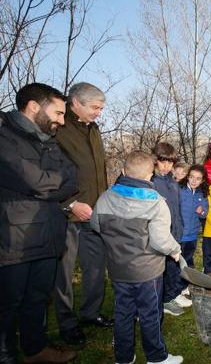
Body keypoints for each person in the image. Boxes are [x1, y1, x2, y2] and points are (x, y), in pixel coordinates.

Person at [0, 83, 78, 364]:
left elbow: (72, 178)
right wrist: (49, 184)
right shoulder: (4, 135)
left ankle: (35, 349)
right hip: (13, 239)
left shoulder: (49, 140)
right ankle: (6, 356)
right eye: (57, 113)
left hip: (48, 234)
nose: (61, 120)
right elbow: (31, 180)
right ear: (34, 106)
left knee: (37, 297)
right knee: (8, 303)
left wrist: (47, 185)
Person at [91, 150, 183, 364]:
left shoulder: (105, 197)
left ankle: (123, 357)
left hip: (118, 269)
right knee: (150, 313)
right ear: (150, 176)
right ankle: (156, 357)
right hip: (147, 272)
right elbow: (161, 240)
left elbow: (96, 225)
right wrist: (175, 250)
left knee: (123, 312)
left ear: (123, 171)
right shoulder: (156, 202)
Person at [54, 82, 112, 346]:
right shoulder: (58, 126)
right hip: (67, 213)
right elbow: (51, 172)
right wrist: (71, 202)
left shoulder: (94, 128)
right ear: (75, 102)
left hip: (95, 212)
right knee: (64, 273)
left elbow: (97, 169)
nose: (99, 113)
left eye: (101, 108)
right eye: (95, 108)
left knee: (96, 267)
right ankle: (67, 323)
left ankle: (90, 313)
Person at [151, 142, 190, 316]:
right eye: (163, 162)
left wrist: (180, 228)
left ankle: (172, 295)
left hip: (175, 233)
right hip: (160, 236)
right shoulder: (151, 183)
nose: (167, 166)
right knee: (160, 271)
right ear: (155, 161)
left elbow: (177, 208)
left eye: (170, 163)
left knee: (173, 267)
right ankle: (163, 300)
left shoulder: (173, 183)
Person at [178, 165, 208, 271]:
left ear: (202, 180)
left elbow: (205, 213)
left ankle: (185, 285)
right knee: (176, 263)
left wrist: (202, 211)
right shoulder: (179, 190)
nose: (194, 181)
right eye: (192, 177)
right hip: (179, 235)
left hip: (192, 235)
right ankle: (175, 286)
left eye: (198, 178)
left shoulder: (202, 193)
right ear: (187, 177)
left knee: (188, 261)